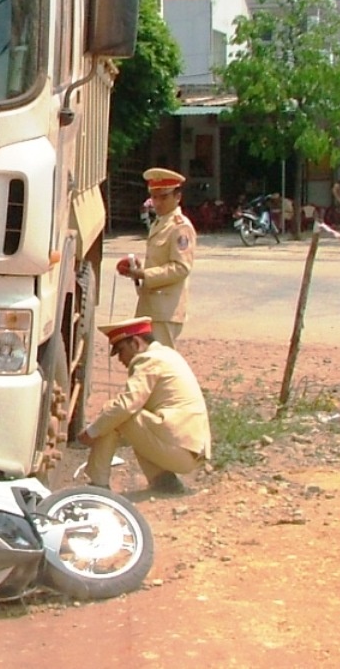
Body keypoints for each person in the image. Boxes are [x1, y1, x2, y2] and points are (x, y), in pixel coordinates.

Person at [77, 315, 211, 495]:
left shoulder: (148, 359)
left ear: (136, 343)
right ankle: (164, 482)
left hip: (179, 449)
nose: (121, 360)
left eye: (121, 350)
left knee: (115, 411)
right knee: (136, 418)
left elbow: (125, 406)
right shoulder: (166, 354)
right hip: (189, 449)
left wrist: (92, 432)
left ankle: (98, 486)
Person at [119, 167, 196, 347]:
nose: (158, 203)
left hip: (166, 310)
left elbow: (181, 268)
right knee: (146, 362)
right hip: (151, 307)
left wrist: (144, 274)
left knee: (160, 364)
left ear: (177, 197)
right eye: (154, 197)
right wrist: (137, 268)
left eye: (164, 197)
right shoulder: (160, 223)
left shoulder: (180, 227)